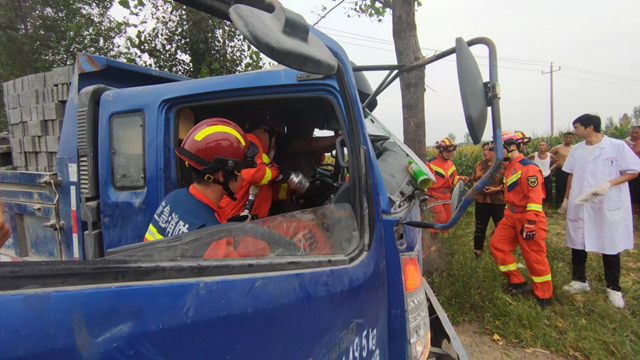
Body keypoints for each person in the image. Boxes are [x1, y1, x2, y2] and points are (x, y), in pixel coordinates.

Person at [559, 114, 640, 309]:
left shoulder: (616, 147)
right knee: (577, 241)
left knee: (609, 243)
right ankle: (579, 280)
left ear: (590, 127)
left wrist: (609, 184)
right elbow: (571, 175)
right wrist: (566, 198)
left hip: (606, 201)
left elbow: (633, 171)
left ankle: (614, 288)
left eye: (577, 127)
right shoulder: (577, 150)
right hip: (582, 201)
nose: (574, 131)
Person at [143, 118, 258, 242]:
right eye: (239, 171)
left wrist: (225, 227)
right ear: (222, 175)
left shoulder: (173, 198)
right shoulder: (214, 239)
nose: (242, 177)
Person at [489, 131, 553, 309]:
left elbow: (535, 198)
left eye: (498, 149)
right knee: (497, 245)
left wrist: (530, 223)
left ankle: (544, 296)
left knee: (534, 257)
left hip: (528, 217)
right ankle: (517, 282)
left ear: (511, 147)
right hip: (511, 215)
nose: (496, 154)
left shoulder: (529, 168)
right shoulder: (509, 168)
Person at [218, 120, 288, 221]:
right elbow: (253, 175)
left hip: (248, 223)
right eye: (275, 138)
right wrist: (275, 172)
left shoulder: (261, 154)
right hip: (233, 222)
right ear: (264, 131)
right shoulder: (250, 141)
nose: (274, 145)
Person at [425, 137, 469, 231]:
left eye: (451, 152)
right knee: (440, 219)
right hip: (434, 195)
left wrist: (460, 179)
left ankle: (443, 242)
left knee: (449, 221)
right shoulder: (430, 164)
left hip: (447, 196)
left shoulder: (451, 165)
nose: (450, 154)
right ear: (440, 150)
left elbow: (453, 180)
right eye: (447, 152)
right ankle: (430, 241)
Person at [470, 141, 505, 258]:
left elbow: (508, 183)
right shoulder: (478, 165)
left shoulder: (503, 165)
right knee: (480, 227)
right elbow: (473, 179)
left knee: (500, 227)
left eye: (488, 150)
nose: (485, 152)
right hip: (481, 201)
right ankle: (478, 251)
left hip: (498, 202)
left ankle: (501, 251)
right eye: (483, 150)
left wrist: (497, 189)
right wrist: (476, 186)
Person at [527, 141, 558, 212]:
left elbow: (557, 162)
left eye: (543, 145)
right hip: (536, 176)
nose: (542, 147)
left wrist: (550, 169)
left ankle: (546, 210)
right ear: (538, 147)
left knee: (548, 192)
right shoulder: (534, 155)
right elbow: (525, 160)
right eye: (540, 145)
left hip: (546, 175)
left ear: (547, 147)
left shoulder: (550, 155)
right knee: (536, 192)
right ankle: (538, 208)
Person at [550, 133, 575, 208]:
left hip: (572, 170)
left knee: (571, 187)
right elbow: (547, 156)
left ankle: (569, 204)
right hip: (561, 170)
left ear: (573, 139)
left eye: (570, 137)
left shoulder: (575, 148)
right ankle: (559, 204)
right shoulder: (558, 148)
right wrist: (555, 162)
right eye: (567, 137)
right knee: (560, 187)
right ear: (563, 138)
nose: (568, 139)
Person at [624, 126, 640, 215]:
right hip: (630, 171)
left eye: (637, 133)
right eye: (632, 132)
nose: (634, 135)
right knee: (632, 193)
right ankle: (633, 214)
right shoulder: (625, 142)